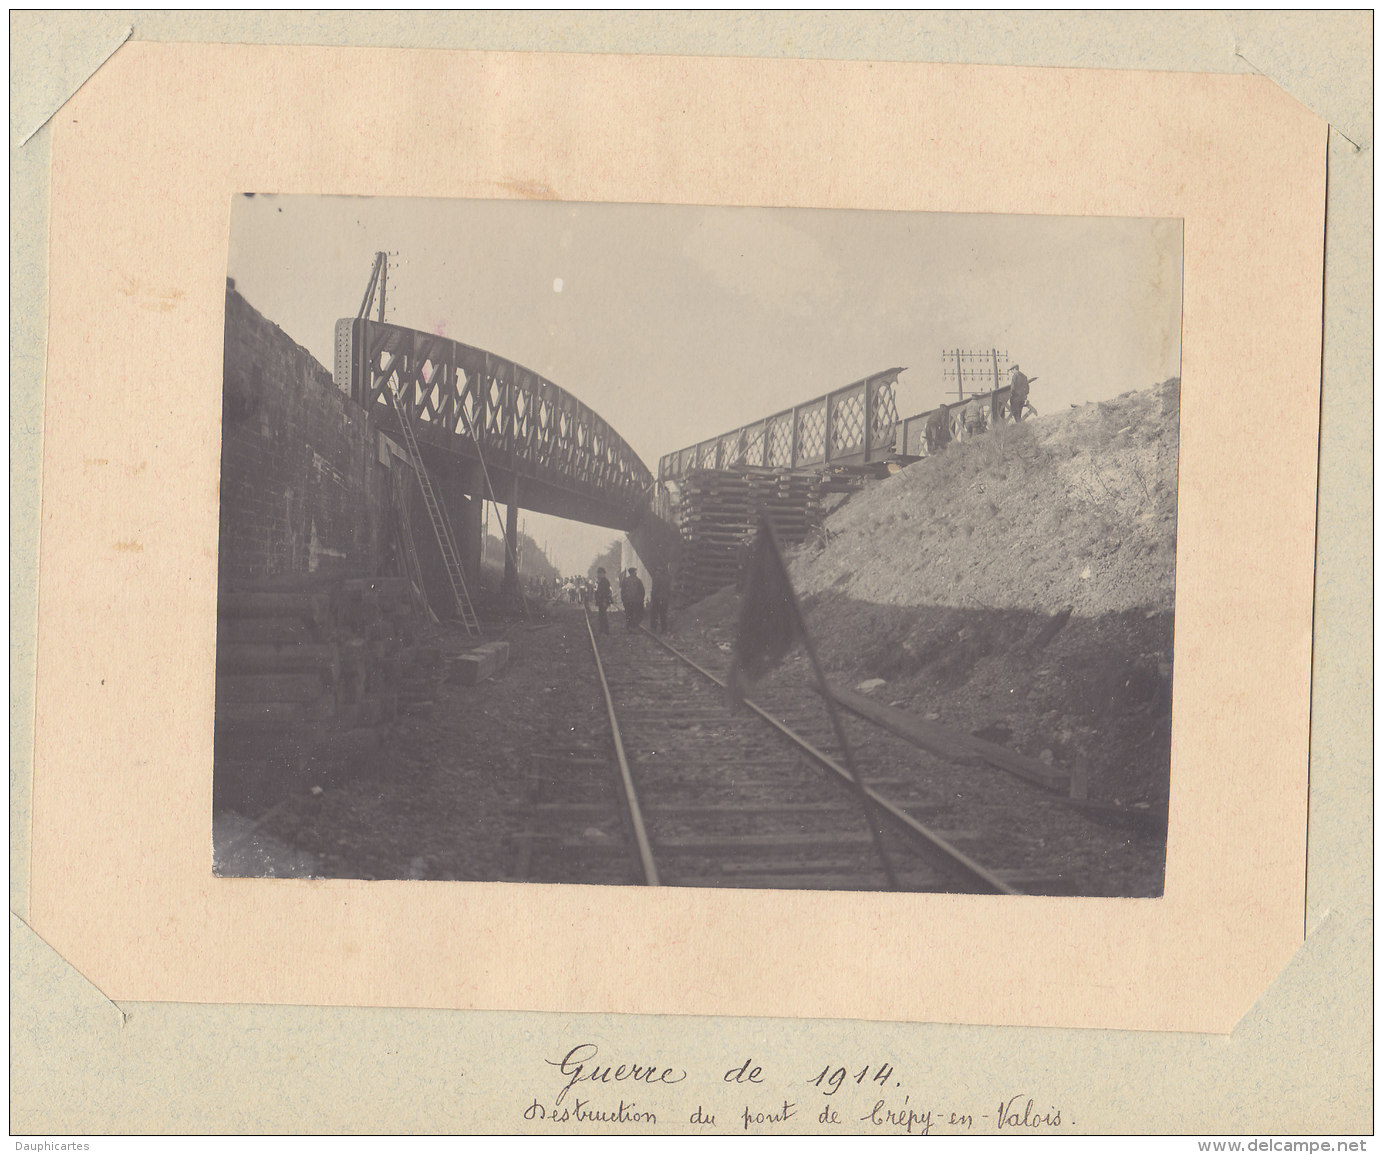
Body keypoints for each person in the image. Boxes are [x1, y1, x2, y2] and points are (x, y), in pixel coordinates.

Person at [648, 565, 671, 634]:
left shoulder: (657, 578)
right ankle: (664, 629)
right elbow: (669, 589)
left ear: (659, 571)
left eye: (657, 571)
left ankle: (653, 628)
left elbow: (655, 589)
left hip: (657, 598)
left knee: (654, 613)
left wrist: (652, 597)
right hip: (665, 599)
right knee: (663, 614)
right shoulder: (667, 578)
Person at [594, 567, 612, 634]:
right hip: (601, 601)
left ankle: (605, 630)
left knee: (603, 615)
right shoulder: (600, 581)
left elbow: (606, 592)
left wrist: (604, 601)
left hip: (603, 601)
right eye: (598, 573)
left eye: (599, 573)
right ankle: (603, 630)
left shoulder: (605, 581)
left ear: (603, 573)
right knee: (601, 615)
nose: (598, 575)